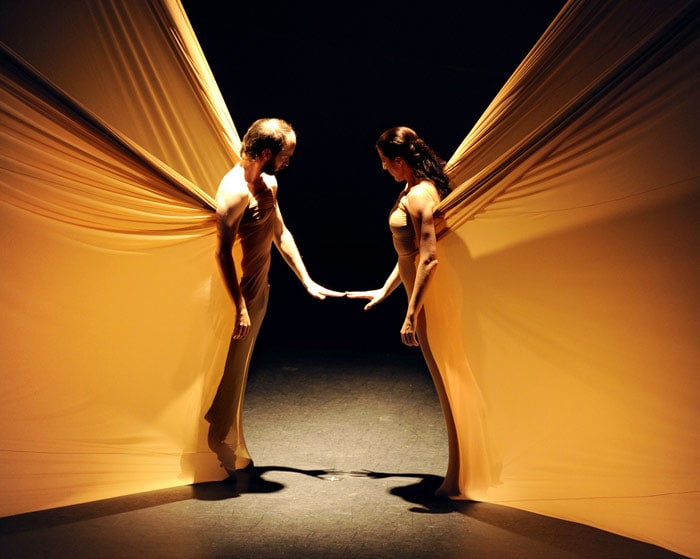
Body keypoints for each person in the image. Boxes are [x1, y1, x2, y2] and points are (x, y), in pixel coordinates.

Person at [206, 117, 344, 478]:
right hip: (236, 298)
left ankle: (225, 446)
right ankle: (214, 449)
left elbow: (279, 232)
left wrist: (307, 281)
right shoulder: (234, 192)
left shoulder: (269, 183)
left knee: (238, 371)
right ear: (266, 152)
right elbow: (220, 254)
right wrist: (238, 308)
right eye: (286, 155)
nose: (288, 162)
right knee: (227, 370)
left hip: (257, 291)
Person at [346, 126, 460, 496]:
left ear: (399, 161)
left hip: (431, 303)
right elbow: (408, 254)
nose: (383, 169)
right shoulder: (411, 190)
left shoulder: (420, 196)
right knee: (445, 380)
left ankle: (458, 476)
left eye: (384, 163)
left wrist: (411, 314)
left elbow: (429, 260)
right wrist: (385, 289)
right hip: (420, 299)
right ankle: (457, 472)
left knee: (448, 383)